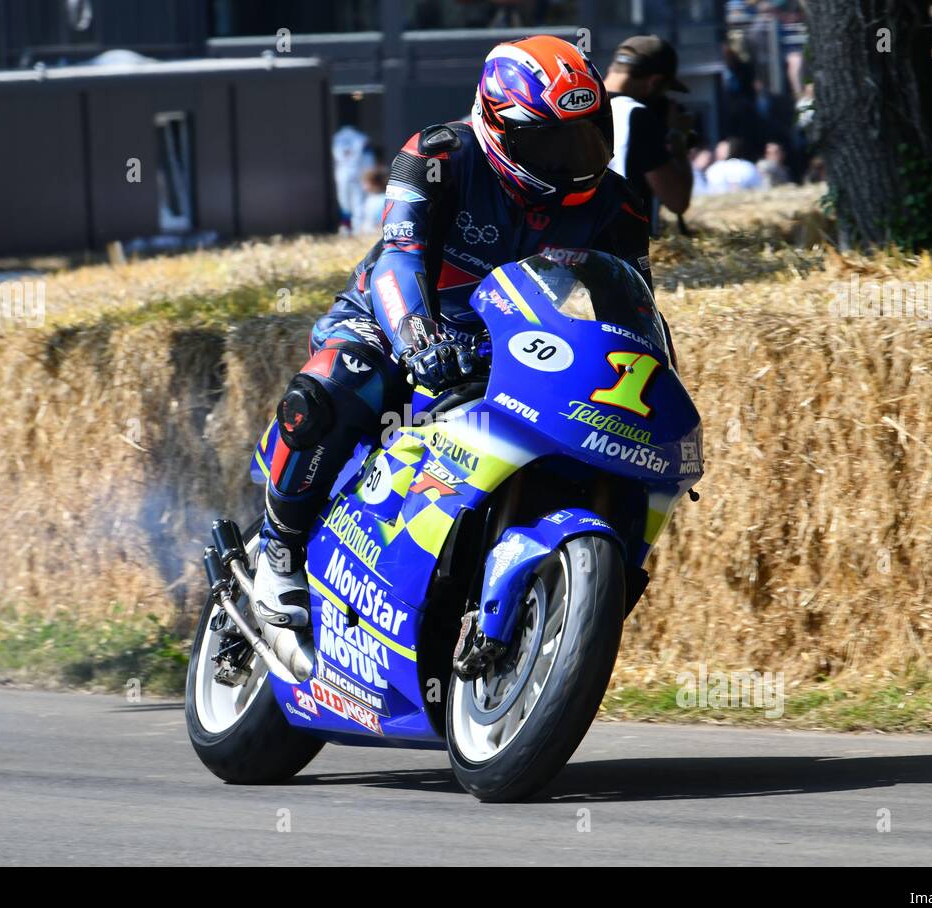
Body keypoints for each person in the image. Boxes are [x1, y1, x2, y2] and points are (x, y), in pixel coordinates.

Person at [250, 36, 665, 653]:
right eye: (550, 141)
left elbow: (631, 306)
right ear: (498, 124)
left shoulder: (619, 206)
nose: (572, 158)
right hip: (394, 319)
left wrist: (650, 387)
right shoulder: (437, 156)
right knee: (342, 379)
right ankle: (278, 550)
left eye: (585, 136)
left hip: (508, 345)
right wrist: (421, 343)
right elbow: (400, 259)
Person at [603, 34, 695, 233]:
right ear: (654, 82)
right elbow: (677, 201)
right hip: (624, 250)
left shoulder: (579, 104)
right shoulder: (637, 116)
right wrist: (678, 140)